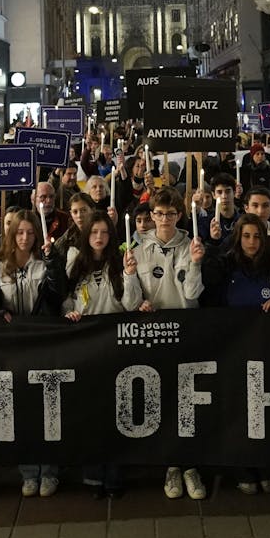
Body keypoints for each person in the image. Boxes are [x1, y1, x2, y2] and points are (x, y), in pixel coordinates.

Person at [127, 187, 207, 500]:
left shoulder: (190, 245)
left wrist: (197, 264)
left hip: (185, 332)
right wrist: (133, 285)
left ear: (178, 216)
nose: (163, 220)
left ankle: (189, 465)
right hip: (152, 335)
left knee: (186, 401)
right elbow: (131, 298)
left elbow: (191, 294)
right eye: (158, 214)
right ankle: (171, 466)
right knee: (160, 400)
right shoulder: (138, 247)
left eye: (170, 214)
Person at [200, 214, 270, 494]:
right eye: (246, 236)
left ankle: (266, 461)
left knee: (267, 408)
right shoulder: (226, 263)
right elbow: (210, 283)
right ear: (238, 237)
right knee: (239, 408)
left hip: (267, 350)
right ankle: (242, 463)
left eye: (257, 236)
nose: (251, 242)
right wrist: (213, 245)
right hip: (235, 350)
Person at [55, 211, 140, 498]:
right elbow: (67, 300)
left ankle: (114, 475)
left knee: (116, 414)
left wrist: (130, 276)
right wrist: (71, 312)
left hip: (115, 347)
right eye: (94, 233)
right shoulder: (76, 266)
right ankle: (92, 475)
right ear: (86, 235)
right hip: (86, 348)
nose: (99, 238)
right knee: (91, 415)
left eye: (104, 232)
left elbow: (131, 304)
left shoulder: (121, 264)